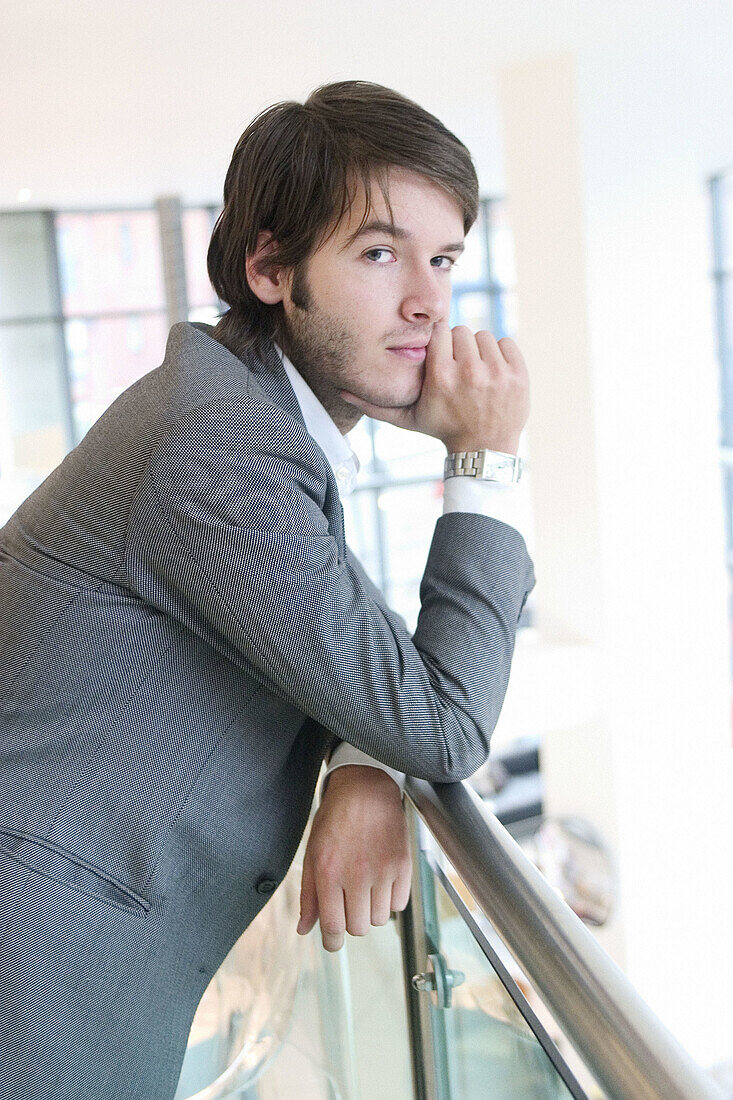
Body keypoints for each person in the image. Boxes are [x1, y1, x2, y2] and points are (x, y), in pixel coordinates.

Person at [0, 80, 534, 1100]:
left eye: (444, 257)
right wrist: (486, 456)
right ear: (270, 268)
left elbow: (349, 650)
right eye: (380, 254)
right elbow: (444, 717)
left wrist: (366, 754)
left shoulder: (239, 414)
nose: (428, 298)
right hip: (35, 981)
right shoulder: (220, 451)